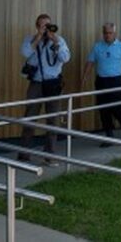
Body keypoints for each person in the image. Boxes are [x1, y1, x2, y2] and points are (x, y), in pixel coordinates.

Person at [19, 14, 71, 163]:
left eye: (48, 25)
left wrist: (55, 42)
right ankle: (24, 154)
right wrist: (38, 37)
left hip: (53, 84)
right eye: (42, 25)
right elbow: (25, 53)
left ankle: (50, 155)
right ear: (37, 26)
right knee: (29, 119)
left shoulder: (59, 40)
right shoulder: (31, 40)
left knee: (52, 121)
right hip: (36, 83)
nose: (46, 28)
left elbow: (66, 58)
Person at [84, 22, 121, 146]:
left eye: (110, 33)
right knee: (103, 109)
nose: (107, 35)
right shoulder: (97, 47)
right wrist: (85, 77)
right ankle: (109, 136)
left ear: (114, 33)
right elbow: (90, 62)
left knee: (116, 107)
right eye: (105, 33)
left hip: (116, 80)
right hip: (101, 81)